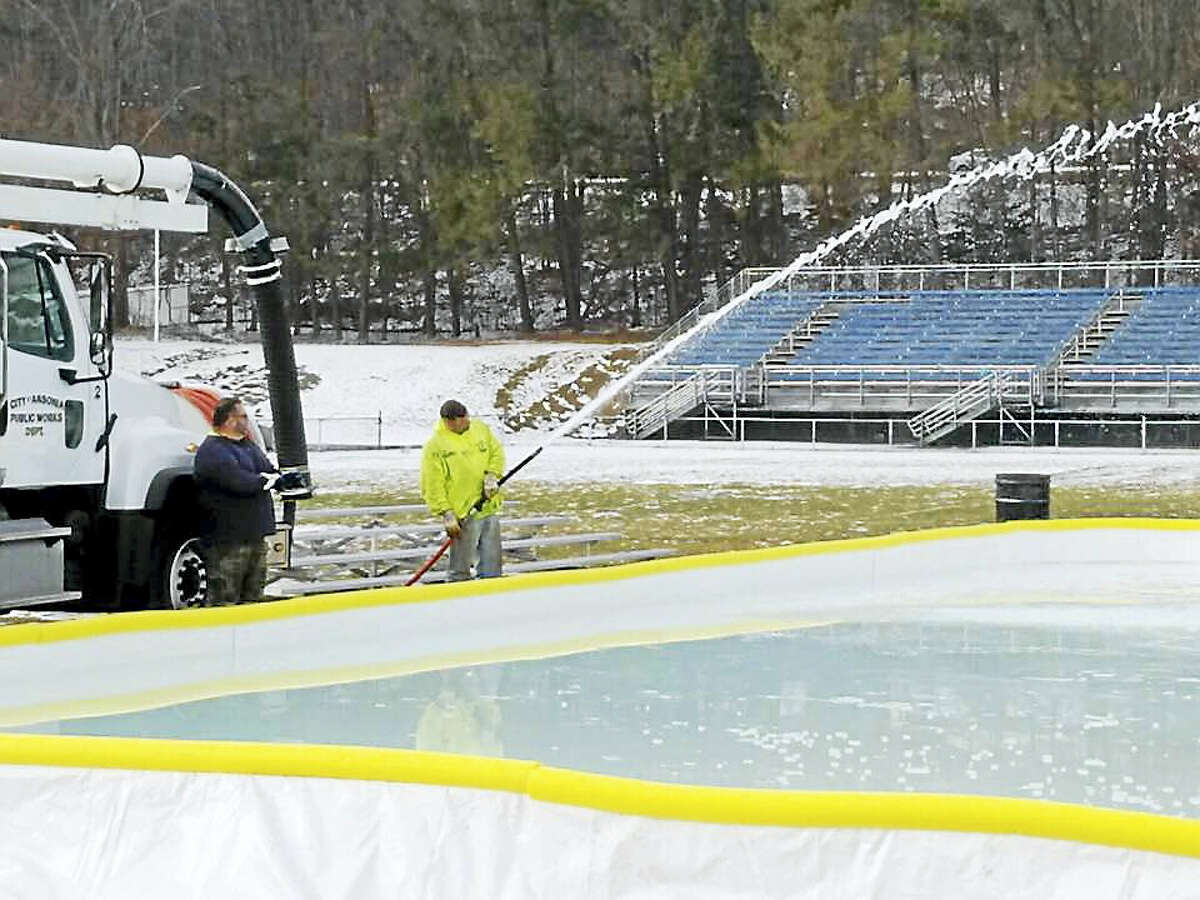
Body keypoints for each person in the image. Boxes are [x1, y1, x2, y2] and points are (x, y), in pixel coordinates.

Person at [193, 396, 279, 605]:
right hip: (228, 539)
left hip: (254, 534)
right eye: (243, 416)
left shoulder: (248, 446)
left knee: (253, 595)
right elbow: (239, 482)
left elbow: (267, 470)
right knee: (225, 595)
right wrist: (264, 481)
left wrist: (281, 479)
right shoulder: (213, 451)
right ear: (229, 420)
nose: (247, 421)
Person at [420, 399, 505, 581]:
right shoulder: (436, 446)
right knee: (460, 566)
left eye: (467, 419)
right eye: (461, 421)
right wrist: (446, 512)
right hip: (463, 515)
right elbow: (433, 483)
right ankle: (458, 593)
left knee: (492, 562)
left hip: (488, 506)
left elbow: (496, 452)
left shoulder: (480, 429)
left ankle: (492, 593)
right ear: (449, 421)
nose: (466, 423)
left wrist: (492, 475)